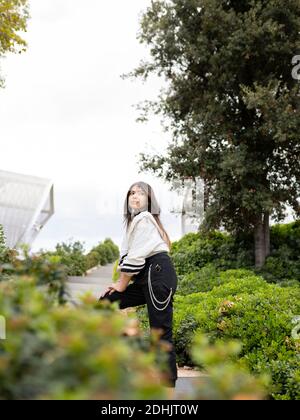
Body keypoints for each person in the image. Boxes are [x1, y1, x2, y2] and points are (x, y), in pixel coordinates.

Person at [99, 181, 178, 389]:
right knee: (107, 301)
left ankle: (167, 387)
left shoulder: (144, 219)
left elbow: (135, 258)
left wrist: (122, 285)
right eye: (131, 193)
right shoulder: (137, 222)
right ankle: (128, 356)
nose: (135, 197)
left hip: (157, 275)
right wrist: (118, 283)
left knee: (160, 333)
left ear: (149, 200)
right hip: (147, 277)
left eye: (141, 194)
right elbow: (130, 258)